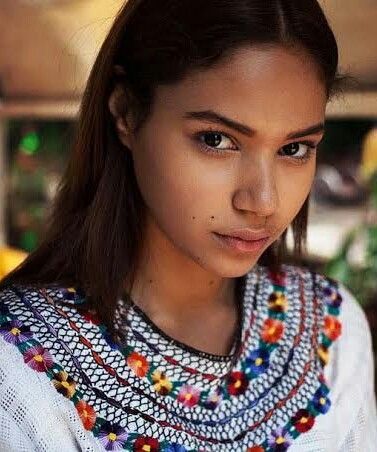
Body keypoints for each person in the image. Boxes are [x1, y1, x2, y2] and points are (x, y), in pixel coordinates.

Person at [0, 0, 376, 450]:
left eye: (295, 148)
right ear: (126, 112)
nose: (263, 201)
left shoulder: (330, 333)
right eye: (217, 140)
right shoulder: (20, 371)